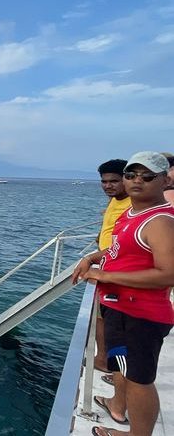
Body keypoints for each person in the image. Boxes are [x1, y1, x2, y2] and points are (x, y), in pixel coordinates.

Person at [73, 151, 174, 436]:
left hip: (139, 314)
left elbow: (169, 273)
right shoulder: (133, 213)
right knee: (123, 370)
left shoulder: (160, 221)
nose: (136, 181)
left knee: (139, 380)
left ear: (165, 180)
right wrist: (94, 257)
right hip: (120, 307)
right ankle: (120, 411)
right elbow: (122, 250)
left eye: (147, 176)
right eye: (131, 175)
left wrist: (104, 274)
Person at [94, 159, 131, 374]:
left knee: (108, 320)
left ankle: (106, 362)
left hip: (117, 272)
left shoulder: (132, 205)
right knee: (102, 317)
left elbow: (126, 245)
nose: (108, 185)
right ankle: (104, 359)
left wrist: (92, 259)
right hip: (107, 267)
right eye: (104, 181)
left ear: (126, 179)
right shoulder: (114, 201)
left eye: (114, 181)